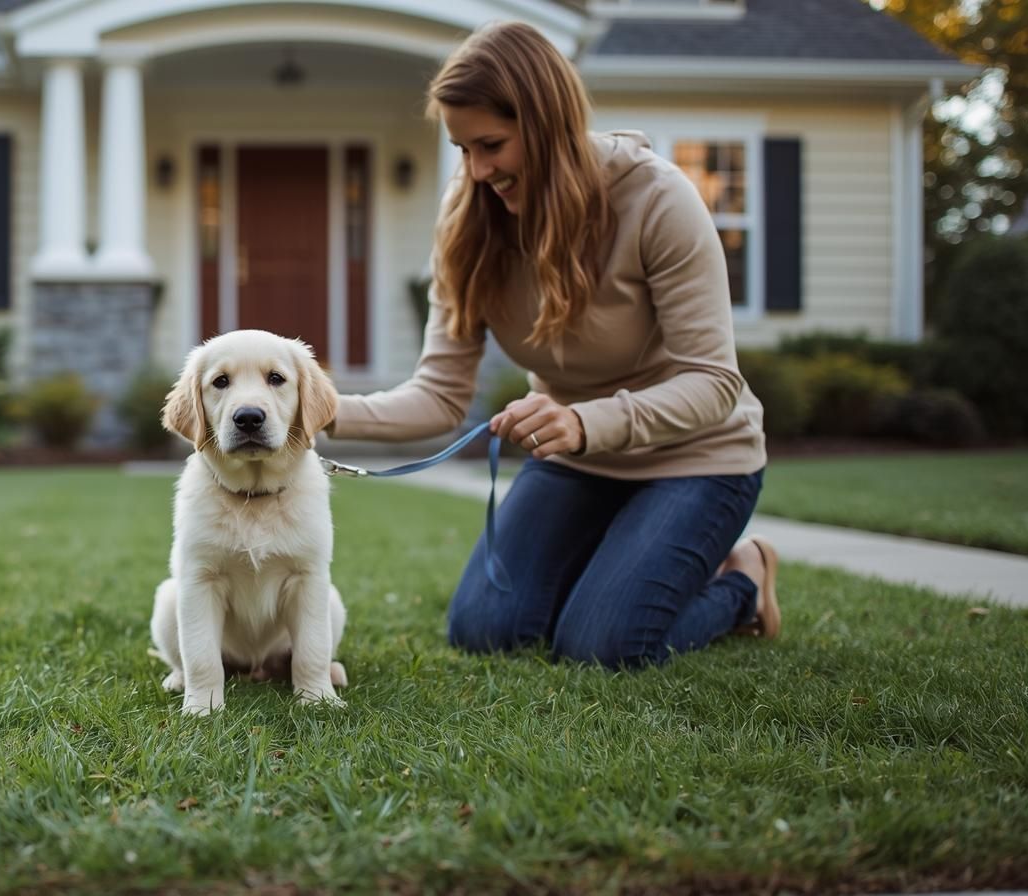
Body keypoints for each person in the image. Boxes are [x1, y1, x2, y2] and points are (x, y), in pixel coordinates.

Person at [327, 20, 780, 669]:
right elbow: (439, 395)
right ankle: (609, 569)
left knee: (602, 645)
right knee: (485, 630)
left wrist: (582, 421)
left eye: (492, 145)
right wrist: (314, 410)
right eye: (463, 149)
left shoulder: (657, 201)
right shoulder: (468, 221)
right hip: (577, 459)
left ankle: (743, 579)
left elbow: (713, 384)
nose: (479, 172)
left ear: (546, 123)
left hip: (696, 458)